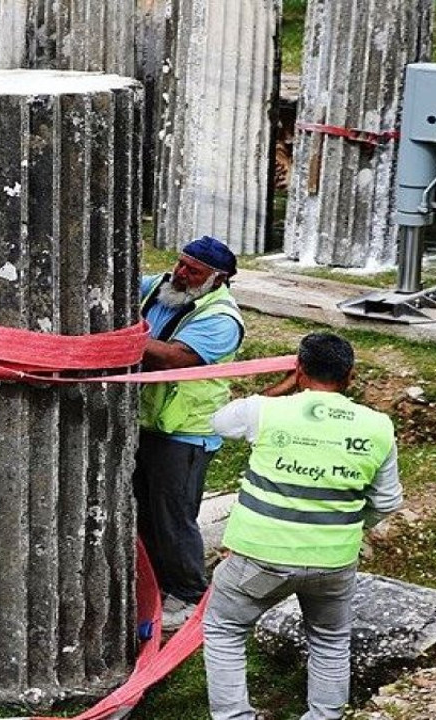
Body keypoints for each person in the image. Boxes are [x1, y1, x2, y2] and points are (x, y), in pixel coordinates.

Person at [203, 332, 403, 720]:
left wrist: (280, 390)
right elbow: (388, 501)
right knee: (330, 641)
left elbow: (219, 422)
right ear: (350, 376)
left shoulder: (264, 410)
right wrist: (348, 527)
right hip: (333, 562)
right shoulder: (378, 426)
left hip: (259, 558)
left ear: (299, 369)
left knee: (225, 630)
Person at [132, 235, 244, 631]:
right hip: (149, 424)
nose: (181, 274)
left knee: (174, 518)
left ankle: (189, 594)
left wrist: (121, 340)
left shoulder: (221, 319)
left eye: (193, 271)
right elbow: (122, 283)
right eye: (181, 263)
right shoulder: (163, 288)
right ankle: (156, 586)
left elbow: (174, 358)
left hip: (185, 433)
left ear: (218, 279)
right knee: (144, 511)